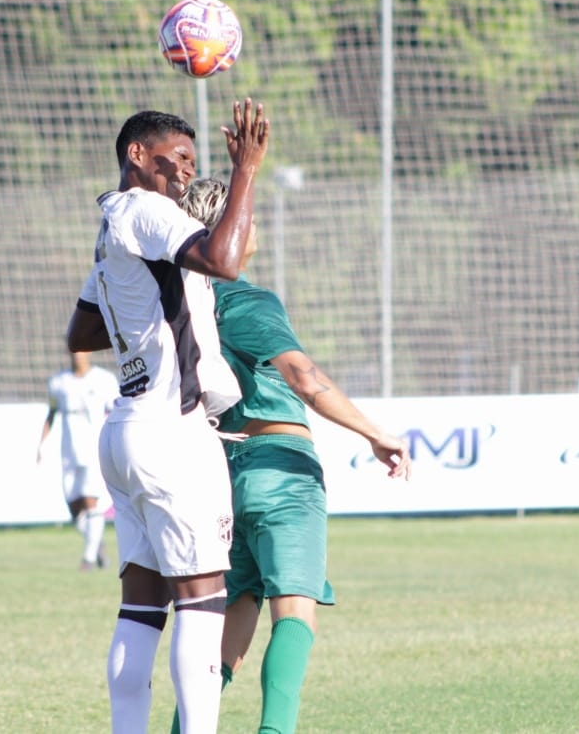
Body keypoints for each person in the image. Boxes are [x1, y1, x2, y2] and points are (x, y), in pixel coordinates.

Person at [174, 177, 410, 734]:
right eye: (245, 215)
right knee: (294, 609)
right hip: (280, 466)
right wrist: (374, 433)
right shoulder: (246, 298)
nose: (253, 223)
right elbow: (304, 377)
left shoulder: (185, 303)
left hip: (220, 471)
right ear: (223, 229)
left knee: (229, 622)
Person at [65, 100, 270, 734]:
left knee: (142, 610)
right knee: (202, 605)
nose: (186, 171)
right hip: (171, 434)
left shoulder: (111, 226)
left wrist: (142, 315)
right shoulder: (149, 210)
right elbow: (227, 260)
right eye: (176, 158)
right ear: (136, 155)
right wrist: (246, 172)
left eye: (192, 160)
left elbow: (79, 328)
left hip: (125, 429)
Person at [38, 350, 119, 570]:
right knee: (74, 508)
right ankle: (96, 542)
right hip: (69, 452)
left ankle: (89, 559)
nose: (78, 355)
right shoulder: (58, 382)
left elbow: (115, 414)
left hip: (93, 449)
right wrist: (41, 445)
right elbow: (51, 413)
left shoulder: (104, 380)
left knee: (91, 501)